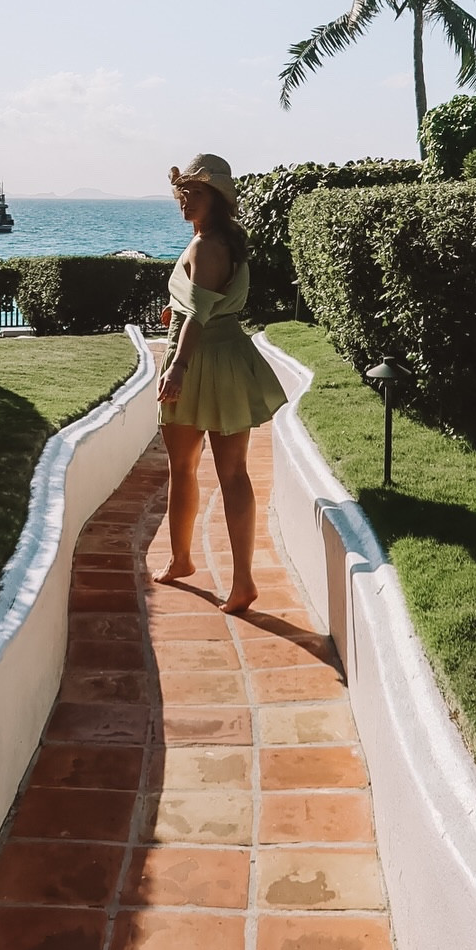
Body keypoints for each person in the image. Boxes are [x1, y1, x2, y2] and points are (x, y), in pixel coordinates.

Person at [154, 152, 287, 612]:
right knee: (231, 472)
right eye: (182, 193)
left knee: (192, 469)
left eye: (193, 193)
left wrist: (177, 366)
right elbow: (207, 303)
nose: (184, 201)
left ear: (215, 197)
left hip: (197, 361)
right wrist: (178, 311)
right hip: (228, 359)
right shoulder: (226, 242)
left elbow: (196, 314)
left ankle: (192, 563)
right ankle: (196, 564)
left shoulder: (204, 245)